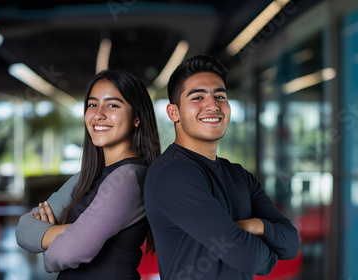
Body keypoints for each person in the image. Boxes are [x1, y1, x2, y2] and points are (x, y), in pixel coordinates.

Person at [144, 55, 299, 280]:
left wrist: (257, 226)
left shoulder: (239, 175)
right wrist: (265, 250)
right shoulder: (172, 174)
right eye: (197, 97)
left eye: (220, 96)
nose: (212, 105)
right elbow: (251, 259)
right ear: (173, 112)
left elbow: (291, 244)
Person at [16, 69, 161, 279]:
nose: (98, 114)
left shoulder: (128, 178)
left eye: (112, 105)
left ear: (137, 118)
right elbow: (23, 228)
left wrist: (52, 237)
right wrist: (79, 233)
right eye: (92, 105)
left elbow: (66, 253)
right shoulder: (87, 175)